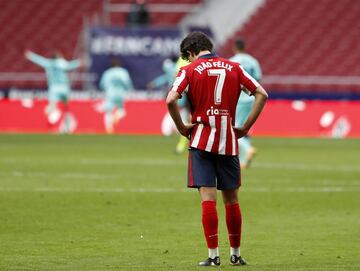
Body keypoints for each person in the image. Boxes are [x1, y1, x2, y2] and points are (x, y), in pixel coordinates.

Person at [166, 32, 268, 266]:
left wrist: (182, 127)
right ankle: (236, 254)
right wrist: (245, 127)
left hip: (201, 141)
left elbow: (171, 99)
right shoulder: (235, 67)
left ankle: (213, 256)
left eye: (188, 56)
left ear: (191, 51)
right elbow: (262, 94)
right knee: (231, 200)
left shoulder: (189, 71)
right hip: (229, 142)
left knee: (208, 199)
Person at [25, 50, 82, 133]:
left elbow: (39, 60)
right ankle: (66, 126)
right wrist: (78, 62)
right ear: (59, 57)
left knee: (52, 106)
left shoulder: (48, 63)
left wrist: (31, 55)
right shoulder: (62, 63)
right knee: (66, 108)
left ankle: (52, 121)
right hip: (64, 88)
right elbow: (70, 66)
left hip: (54, 88)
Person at [230, 38, 263, 168]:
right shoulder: (253, 61)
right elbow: (258, 79)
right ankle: (244, 160)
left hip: (239, 99)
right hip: (252, 98)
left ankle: (248, 149)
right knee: (246, 127)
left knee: (235, 128)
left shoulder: (232, 61)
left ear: (235, 48)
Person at [99, 58, 134, 134]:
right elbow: (127, 83)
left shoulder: (107, 73)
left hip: (110, 94)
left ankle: (109, 128)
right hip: (120, 94)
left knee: (108, 111)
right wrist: (130, 90)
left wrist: (104, 90)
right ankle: (116, 117)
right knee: (122, 111)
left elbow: (101, 84)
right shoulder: (123, 72)